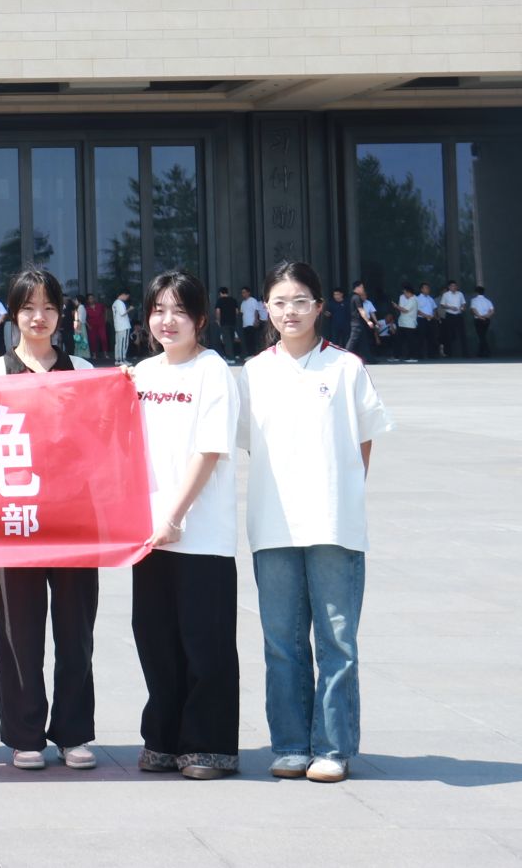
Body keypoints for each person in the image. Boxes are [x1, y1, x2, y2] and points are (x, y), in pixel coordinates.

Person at [242, 259, 393, 784]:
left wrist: (341, 493)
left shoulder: (345, 367)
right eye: (280, 302)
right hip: (274, 525)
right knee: (282, 642)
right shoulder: (254, 372)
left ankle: (332, 747)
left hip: (333, 523)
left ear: (319, 307)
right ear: (266, 308)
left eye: (301, 301)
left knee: (337, 642)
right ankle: (289, 745)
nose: (291, 311)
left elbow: (365, 439)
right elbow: (244, 443)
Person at [0, 266, 98, 772]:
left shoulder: (84, 370)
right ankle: (24, 734)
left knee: (76, 632)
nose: (39, 317)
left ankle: (73, 732)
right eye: (28, 308)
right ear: (13, 313)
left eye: (49, 308)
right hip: (16, 522)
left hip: (75, 522)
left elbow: (101, 441)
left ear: (61, 314)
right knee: (18, 633)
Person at [130, 270, 241, 780]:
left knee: (205, 642)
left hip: (200, 534)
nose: (167, 321)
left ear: (200, 319)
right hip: (148, 534)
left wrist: (175, 515)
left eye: (179, 311)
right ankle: (163, 738)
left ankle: (209, 744)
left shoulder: (212, 371)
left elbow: (209, 450)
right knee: (155, 640)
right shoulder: (142, 374)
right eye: (158, 310)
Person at [346, 282, 379, 362]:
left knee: (364, 341)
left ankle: (370, 359)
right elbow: (361, 310)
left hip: (356, 322)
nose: (363, 289)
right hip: (357, 322)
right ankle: (344, 356)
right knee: (352, 341)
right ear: (358, 288)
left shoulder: (350, 297)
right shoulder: (356, 297)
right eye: (362, 287)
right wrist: (368, 321)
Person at [394, 284, 419, 362]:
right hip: (403, 323)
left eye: (405, 293)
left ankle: (412, 357)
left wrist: (396, 306)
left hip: (409, 324)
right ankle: (397, 356)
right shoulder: (408, 299)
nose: (404, 295)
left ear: (409, 292)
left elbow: (405, 310)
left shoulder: (413, 299)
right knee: (399, 340)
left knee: (410, 341)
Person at [213, 287, 238, 360]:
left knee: (227, 341)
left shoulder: (220, 301)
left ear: (220, 293)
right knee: (232, 339)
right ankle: (233, 355)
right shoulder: (233, 300)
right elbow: (237, 311)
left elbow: (218, 311)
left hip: (224, 322)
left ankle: (230, 358)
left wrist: (218, 320)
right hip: (233, 322)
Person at [111, 289, 134, 365]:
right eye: (127, 296)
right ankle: (122, 359)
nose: (127, 298)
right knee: (123, 343)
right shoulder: (120, 303)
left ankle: (118, 359)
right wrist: (130, 309)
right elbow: (122, 313)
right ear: (123, 294)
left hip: (118, 326)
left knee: (118, 343)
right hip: (123, 326)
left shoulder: (115, 303)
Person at [414, 285, 438, 359]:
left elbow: (434, 308)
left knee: (431, 337)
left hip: (431, 320)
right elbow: (417, 310)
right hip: (422, 320)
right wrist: (426, 316)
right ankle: (420, 355)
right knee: (421, 337)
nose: (428, 289)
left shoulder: (430, 298)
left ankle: (431, 354)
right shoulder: (417, 298)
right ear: (421, 289)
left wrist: (433, 315)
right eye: (426, 288)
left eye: (428, 288)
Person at [471, 287, 496, 356]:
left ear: (476, 292)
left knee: (481, 336)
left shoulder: (474, 300)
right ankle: (480, 353)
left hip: (478, 320)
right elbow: (492, 311)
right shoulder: (488, 301)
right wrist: (486, 316)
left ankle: (487, 351)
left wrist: (480, 317)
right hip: (486, 320)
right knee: (483, 335)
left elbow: (473, 310)